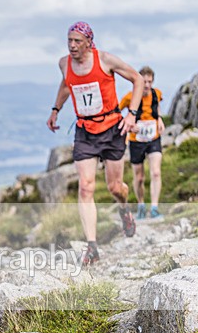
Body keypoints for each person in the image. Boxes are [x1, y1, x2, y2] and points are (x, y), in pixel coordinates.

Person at [47, 22, 144, 265]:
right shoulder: (64, 63)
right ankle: (92, 247)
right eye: (69, 40)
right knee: (86, 187)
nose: (72, 45)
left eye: (77, 41)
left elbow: (138, 79)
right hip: (85, 131)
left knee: (115, 187)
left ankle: (124, 209)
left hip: (112, 128)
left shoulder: (106, 60)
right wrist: (56, 109)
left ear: (89, 42)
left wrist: (132, 114)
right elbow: (66, 83)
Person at [120, 66, 165, 219]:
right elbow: (116, 113)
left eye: (149, 82)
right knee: (139, 178)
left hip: (153, 138)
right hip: (136, 140)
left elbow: (157, 109)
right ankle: (141, 205)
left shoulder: (157, 94)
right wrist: (130, 125)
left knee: (156, 172)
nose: (146, 85)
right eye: (144, 81)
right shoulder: (129, 97)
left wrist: (159, 119)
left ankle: (154, 208)